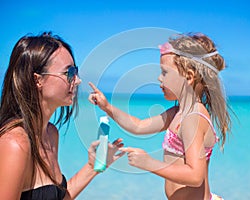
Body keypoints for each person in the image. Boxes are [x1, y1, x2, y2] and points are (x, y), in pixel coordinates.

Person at [89, 32, 231, 200]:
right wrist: (107, 107)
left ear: (189, 77)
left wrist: (149, 163)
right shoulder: (177, 112)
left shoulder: (193, 118)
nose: (159, 78)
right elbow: (139, 126)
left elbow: (195, 175)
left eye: (165, 73)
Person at [0, 32, 124, 200]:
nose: (78, 80)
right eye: (69, 72)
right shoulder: (15, 143)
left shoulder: (50, 133)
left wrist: (93, 166)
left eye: (76, 71)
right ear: (38, 80)